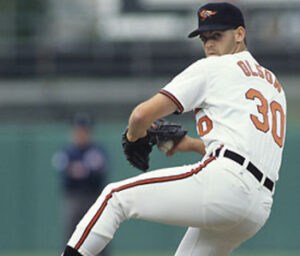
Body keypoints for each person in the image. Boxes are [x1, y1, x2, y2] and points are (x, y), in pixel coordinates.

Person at [62, 2, 286, 256]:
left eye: (217, 35)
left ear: (239, 34)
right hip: (258, 208)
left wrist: (134, 136)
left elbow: (141, 115)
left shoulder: (213, 67)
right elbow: (249, 148)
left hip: (226, 184)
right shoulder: (274, 86)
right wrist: (192, 145)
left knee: (114, 198)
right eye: (204, 38)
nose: (210, 44)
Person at [52, 113, 110, 255]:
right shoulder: (67, 151)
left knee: (97, 234)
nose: (81, 134)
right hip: (74, 197)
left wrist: (80, 169)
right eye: (79, 130)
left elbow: (98, 170)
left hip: (94, 197)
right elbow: (64, 169)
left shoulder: (97, 150)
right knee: (72, 236)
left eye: (85, 130)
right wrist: (84, 169)